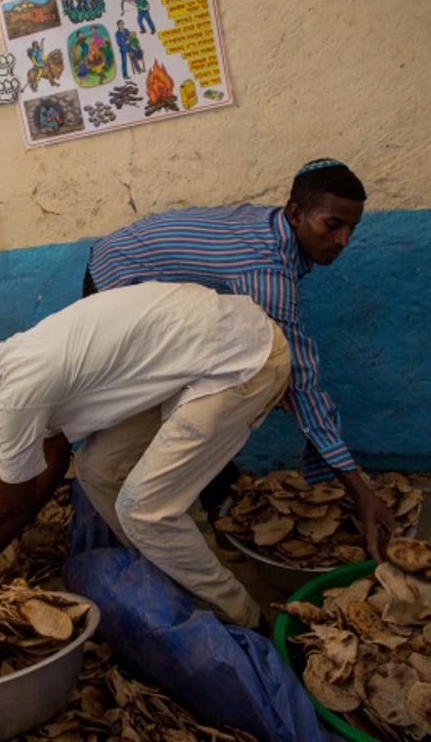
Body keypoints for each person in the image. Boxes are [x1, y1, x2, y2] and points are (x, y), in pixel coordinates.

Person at [0, 280, 291, 628]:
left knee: (142, 510)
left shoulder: (16, 392)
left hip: (241, 356)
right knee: (99, 469)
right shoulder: (23, 355)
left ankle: (242, 617)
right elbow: (56, 454)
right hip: (199, 354)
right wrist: (19, 522)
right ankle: (182, 573)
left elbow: (12, 509)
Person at [83, 158, 399, 562]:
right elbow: (305, 385)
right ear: (296, 214)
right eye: (333, 225)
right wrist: (360, 491)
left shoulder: (276, 230)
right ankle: (167, 529)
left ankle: (210, 494)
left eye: (352, 228)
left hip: (152, 280)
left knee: (230, 381)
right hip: (117, 280)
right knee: (158, 411)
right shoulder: (264, 271)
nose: (343, 241)